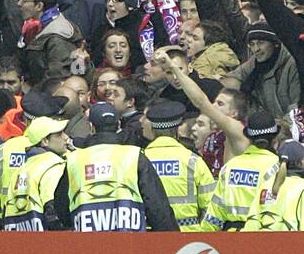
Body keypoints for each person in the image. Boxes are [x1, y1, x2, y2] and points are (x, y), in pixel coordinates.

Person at [52, 100, 178, 231]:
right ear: (118, 124)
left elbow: (62, 211)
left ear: (91, 126)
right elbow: (157, 208)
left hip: (88, 246)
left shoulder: (75, 160)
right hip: (130, 245)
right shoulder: (134, 156)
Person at [141, 98, 214, 231]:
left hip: (150, 236)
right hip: (189, 238)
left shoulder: (140, 160)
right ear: (176, 131)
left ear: (153, 130)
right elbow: (211, 206)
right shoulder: (193, 160)